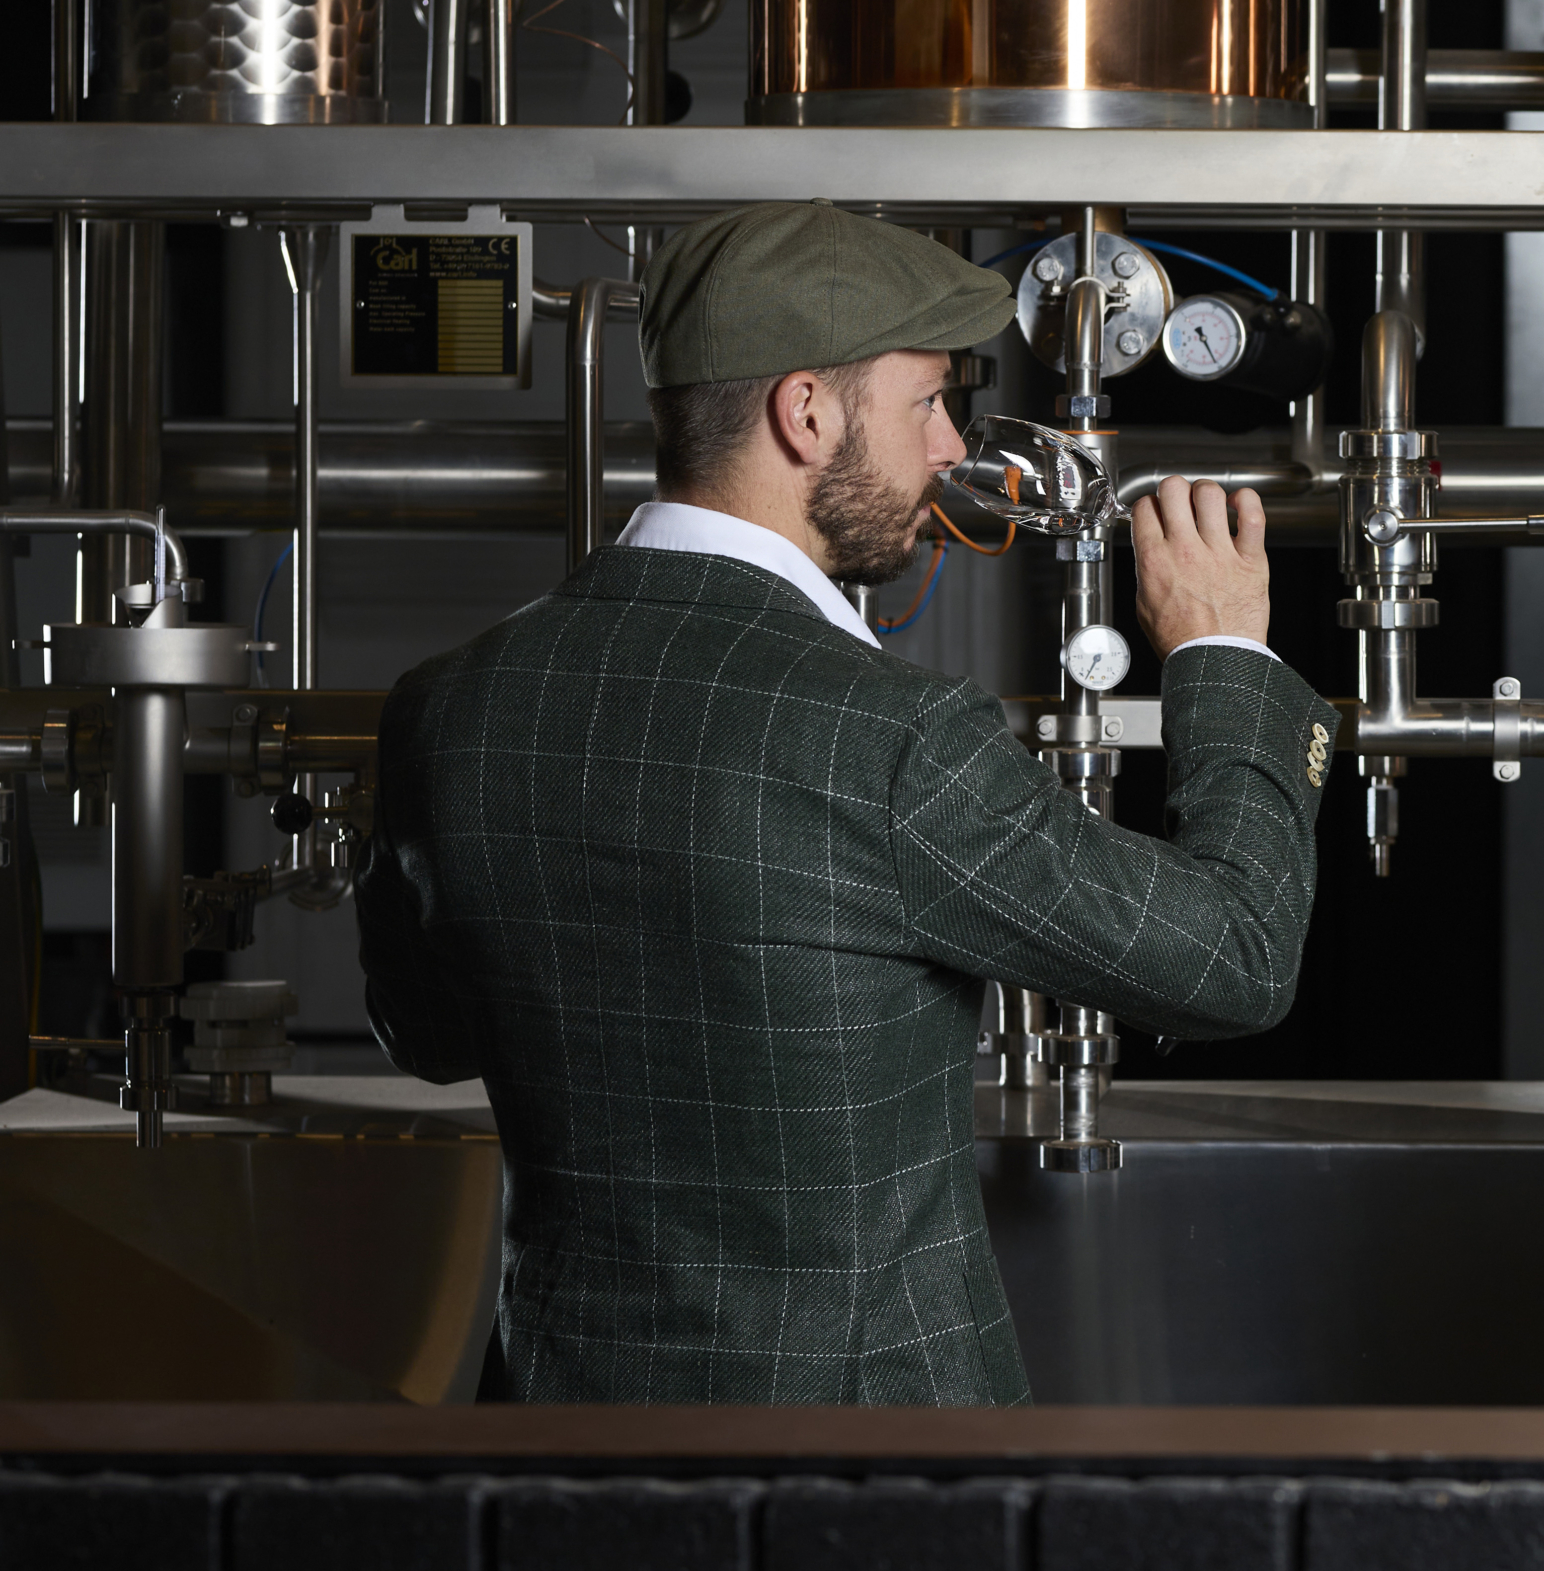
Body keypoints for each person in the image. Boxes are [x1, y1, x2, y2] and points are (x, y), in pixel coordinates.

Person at [355, 202, 1340, 1406]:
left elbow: (431, 1036)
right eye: (927, 401)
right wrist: (1222, 658)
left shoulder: (444, 708)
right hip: (861, 1479)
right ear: (807, 411)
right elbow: (1234, 958)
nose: (947, 450)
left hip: (560, 1441)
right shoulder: (889, 736)